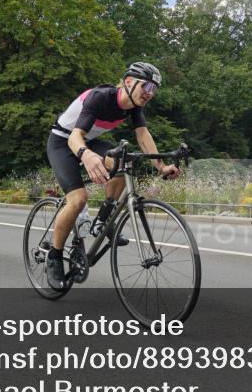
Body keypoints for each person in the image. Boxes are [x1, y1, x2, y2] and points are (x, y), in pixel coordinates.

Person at [45, 62, 180, 290]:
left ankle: (102, 221)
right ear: (128, 81)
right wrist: (86, 155)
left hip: (88, 141)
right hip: (62, 141)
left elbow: (143, 135)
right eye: (146, 85)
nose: (150, 92)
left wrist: (161, 166)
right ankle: (55, 256)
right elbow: (74, 137)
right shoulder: (100, 97)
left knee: (124, 160)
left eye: (154, 89)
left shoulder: (134, 106)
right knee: (78, 200)